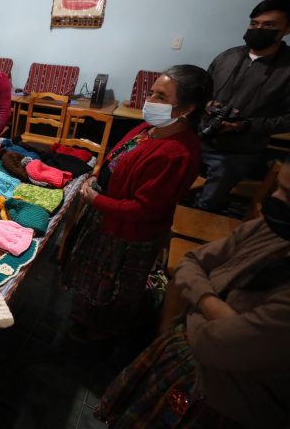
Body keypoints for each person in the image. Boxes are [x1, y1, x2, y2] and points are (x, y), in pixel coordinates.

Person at [95, 159, 290, 428]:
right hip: (185, 359)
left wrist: (194, 303)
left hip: (221, 402)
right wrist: (217, 309)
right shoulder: (269, 230)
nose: (275, 199)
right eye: (278, 187)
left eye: (288, 195)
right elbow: (190, 261)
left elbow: (213, 346)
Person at [62, 65, 213, 347]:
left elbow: (144, 209)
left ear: (187, 108)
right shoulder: (150, 129)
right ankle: (85, 318)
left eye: (161, 97)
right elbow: (116, 156)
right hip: (106, 215)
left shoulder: (178, 153)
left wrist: (96, 199)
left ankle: (101, 335)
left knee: (113, 285)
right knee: (93, 278)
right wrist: (97, 176)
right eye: (152, 93)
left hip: (127, 233)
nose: (150, 100)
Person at [197, 0, 290, 213]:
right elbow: (201, 90)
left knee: (207, 204)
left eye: (269, 25)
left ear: (286, 29)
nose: (259, 29)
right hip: (200, 138)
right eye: (254, 23)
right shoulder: (227, 57)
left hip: (238, 151)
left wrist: (246, 125)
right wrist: (207, 103)